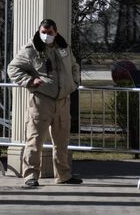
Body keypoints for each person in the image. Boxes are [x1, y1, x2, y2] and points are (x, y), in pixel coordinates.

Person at [7, 18, 83, 187]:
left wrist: (74, 82)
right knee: (35, 139)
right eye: (43, 32)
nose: (46, 35)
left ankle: (63, 175)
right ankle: (30, 176)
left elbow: (74, 66)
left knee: (62, 141)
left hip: (63, 100)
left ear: (55, 33)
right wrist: (29, 81)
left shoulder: (64, 47)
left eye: (50, 33)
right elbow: (12, 68)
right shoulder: (31, 49)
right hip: (42, 100)